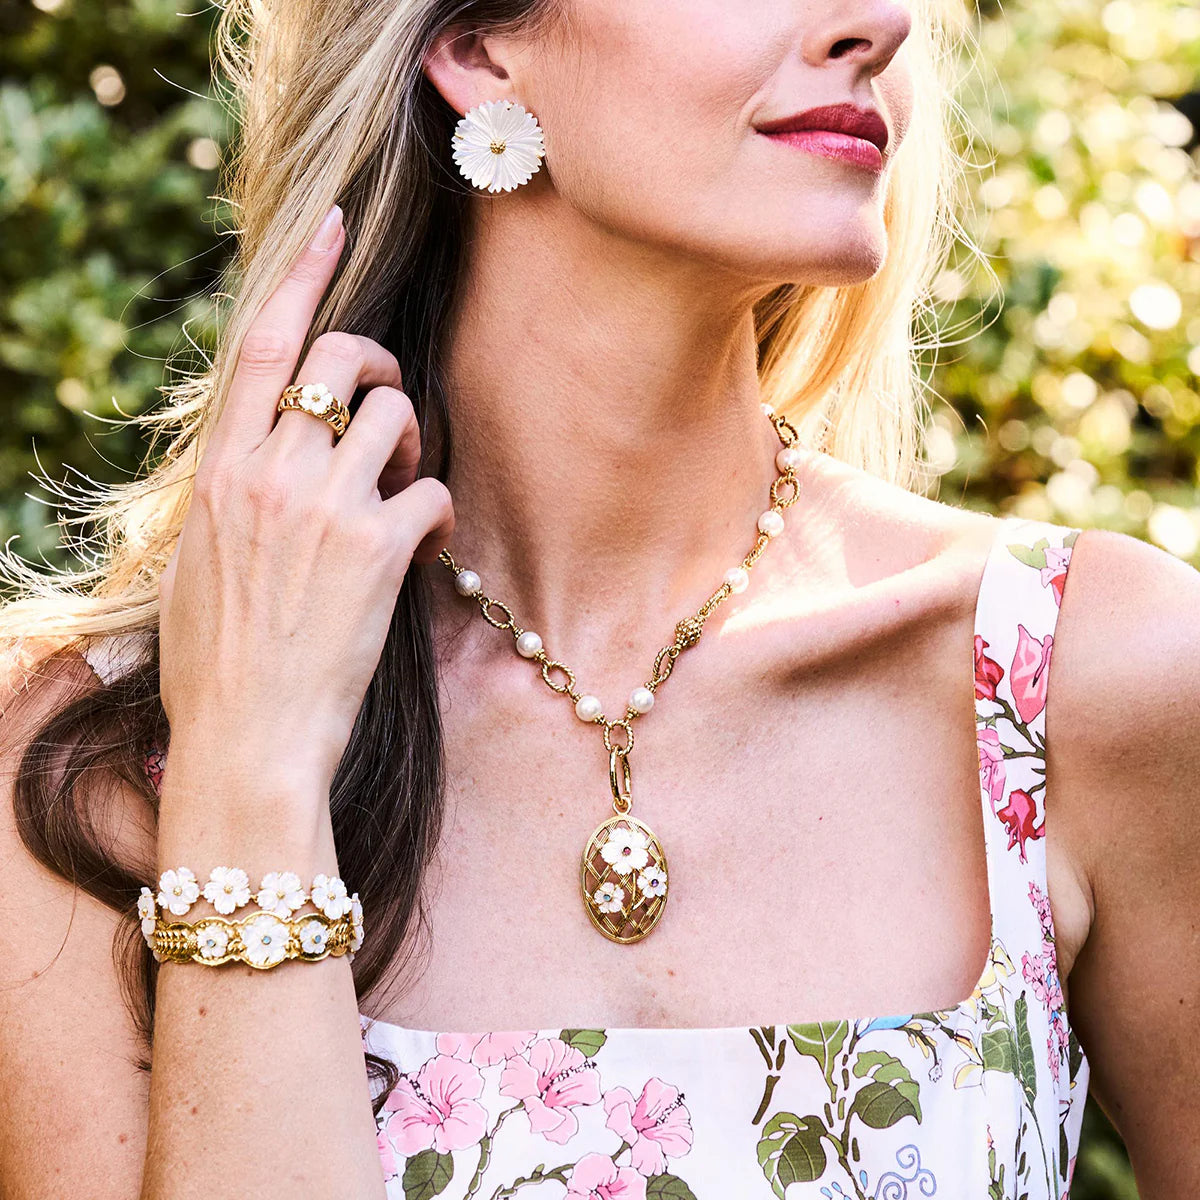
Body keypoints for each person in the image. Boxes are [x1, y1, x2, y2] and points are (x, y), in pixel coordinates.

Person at [1, 0, 1196, 1196]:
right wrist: (251, 771)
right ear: (476, 49)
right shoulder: (89, 768)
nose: (879, 23)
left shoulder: (1075, 684)